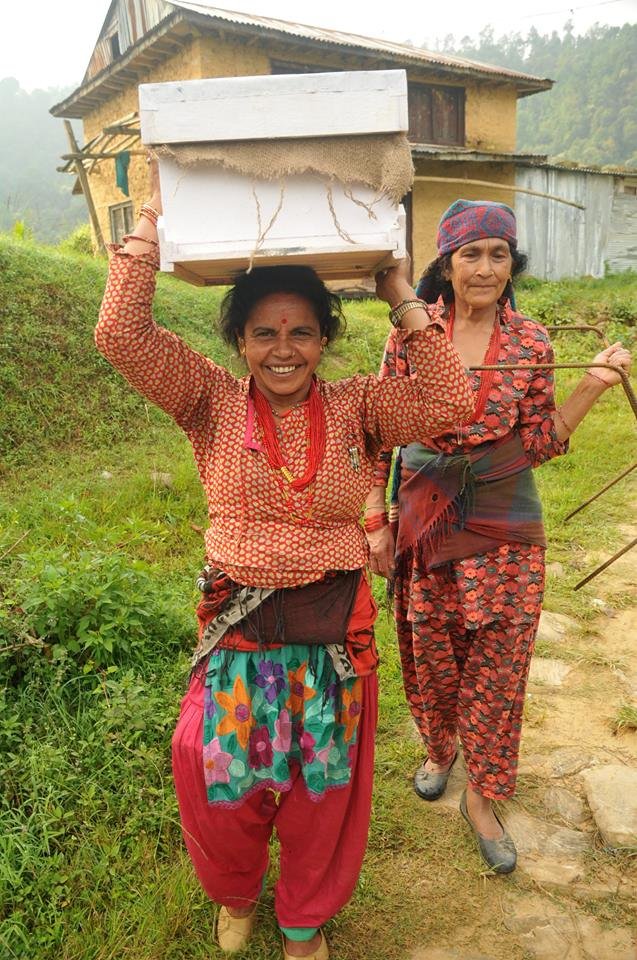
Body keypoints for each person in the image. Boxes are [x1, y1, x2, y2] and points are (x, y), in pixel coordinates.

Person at [94, 176, 474, 958]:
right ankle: (235, 894)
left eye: (301, 332)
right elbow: (121, 336)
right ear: (238, 341)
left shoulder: (362, 407)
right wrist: (155, 221)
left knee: (320, 795)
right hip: (238, 634)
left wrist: (399, 288)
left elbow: (450, 401)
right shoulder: (207, 401)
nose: (283, 350)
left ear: (323, 340)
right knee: (217, 780)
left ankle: (304, 918)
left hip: (330, 639)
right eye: (264, 333)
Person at [365, 198, 632, 875]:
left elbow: (539, 439)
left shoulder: (531, 342)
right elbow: (377, 432)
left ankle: (482, 796)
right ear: (445, 264)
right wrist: (376, 518)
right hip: (425, 515)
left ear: (512, 263)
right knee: (429, 648)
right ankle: (439, 748)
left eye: (497, 254)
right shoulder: (407, 336)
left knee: (501, 659)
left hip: (506, 515)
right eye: (469, 254)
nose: (484, 268)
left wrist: (594, 386)